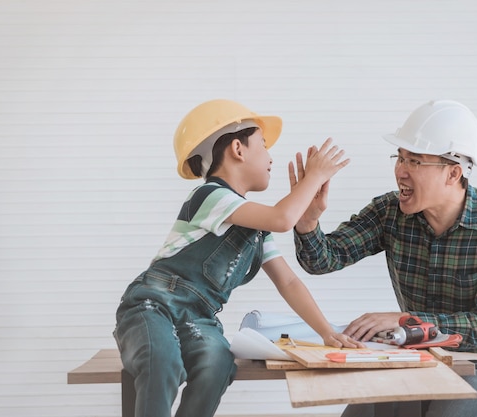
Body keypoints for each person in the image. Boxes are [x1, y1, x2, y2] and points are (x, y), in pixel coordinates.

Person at [113, 99, 364, 417]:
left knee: (218, 363)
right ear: (237, 148)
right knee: (161, 359)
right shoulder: (210, 196)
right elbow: (282, 218)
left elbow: (288, 281)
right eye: (263, 144)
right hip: (153, 305)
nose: (271, 157)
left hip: (199, 316)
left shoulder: (257, 228)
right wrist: (313, 177)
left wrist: (326, 331)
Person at [290, 99, 477, 417]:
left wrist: (408, 320)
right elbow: (323, 260)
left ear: (453, 173)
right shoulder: (389, 213)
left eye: (415, 161)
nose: (400, 171)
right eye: (400, 157)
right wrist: (308, 223)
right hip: (415, 352)